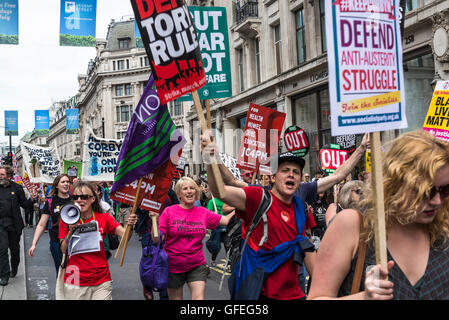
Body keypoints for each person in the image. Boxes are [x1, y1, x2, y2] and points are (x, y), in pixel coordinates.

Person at [307, 130, 449, 300]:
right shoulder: (353, 225)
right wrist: (364, 297)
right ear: (397, 182)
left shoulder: (444, 232)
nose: (437, 201)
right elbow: (317, 297)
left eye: (445, 190)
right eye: (427, 191)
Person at [202, 133, 317, 300]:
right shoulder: (258, 197)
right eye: (285, 170)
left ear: (300, 180)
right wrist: (210, 159)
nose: (291, 174)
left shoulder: (302, 208)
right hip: (258, 294)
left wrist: (319, 292)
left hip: (294, 295)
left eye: (296, 172)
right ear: (273, 177)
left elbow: (307, 248)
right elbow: (220, 191)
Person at [151, 177, 235, 300]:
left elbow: (226, 220)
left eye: (192, 188)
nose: (189, 191)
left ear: (196, 192)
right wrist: (154, 221)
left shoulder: (203, 212)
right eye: (185, 189)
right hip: (173, 265)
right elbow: (157, 240)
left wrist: (243, 205)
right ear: (179, 194)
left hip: (197, 264)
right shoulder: (169, 212)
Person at [59, 181, 137, 300]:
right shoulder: (67, 219)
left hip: (101, 278)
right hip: (75, 277)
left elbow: (125, 237)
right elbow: (63, 249)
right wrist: (70, 232)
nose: (79, 200)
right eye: (76, 197)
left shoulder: (104, 218)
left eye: (84, 197)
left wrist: (130, 225)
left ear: (93, 199)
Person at [0, 165, 37, 286]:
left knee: (14, 250)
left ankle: (14, 268)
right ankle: (4, 275)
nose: (0, 177)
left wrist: (32, 199)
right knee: (2, 249)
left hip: (14, 225)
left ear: (9, 176)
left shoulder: (17, 188)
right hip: (1, 225)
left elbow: (24, 205)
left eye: (2, 175)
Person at [28, 174, 72, 275]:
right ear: (57, 185)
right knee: (61, 271)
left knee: (73, 272)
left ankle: (72, 290)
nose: (66, 184)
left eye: (68, 182)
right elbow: (41, 224)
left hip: (74, 242)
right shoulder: (51, 202)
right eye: (63, 182)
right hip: (56, 242)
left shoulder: (75, 200)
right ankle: (61, 290)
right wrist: (34, 244)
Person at [206, 196, 235, 268]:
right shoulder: (212, 202)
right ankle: (213, 259)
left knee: (228, 245)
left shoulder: (227, 201)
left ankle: (229, 263)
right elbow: (208, 214)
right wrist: (213, 214)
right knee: (216, 245)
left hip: (226, 226)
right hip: (216, 226)